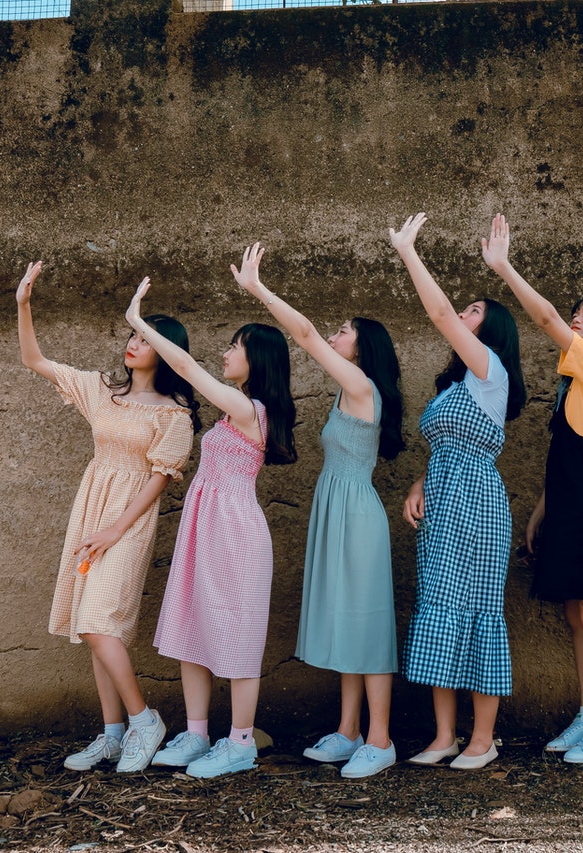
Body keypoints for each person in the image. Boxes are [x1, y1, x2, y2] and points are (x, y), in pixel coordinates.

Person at [16, 260, 199, 773]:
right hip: (91, 512)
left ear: (165, 351)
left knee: (99, 622)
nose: (133, 344)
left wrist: (116, 529)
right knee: (92, 627)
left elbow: (160, 478)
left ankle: (144, 721)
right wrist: (24, 304)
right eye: (132, 336)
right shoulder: (102, 391)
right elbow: (34, 359)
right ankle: (113, 734)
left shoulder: (175, 414)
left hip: (128, 522)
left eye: (145, 339)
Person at [231, 243, 406, 779]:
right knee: (349, 624)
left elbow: (304, 334)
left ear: (364, 347)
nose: (334, 335)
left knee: (368, 628)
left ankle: (380, 739)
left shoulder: (361, 385)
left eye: (344, 331)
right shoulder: (344, 392)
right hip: (338, 510)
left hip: (357, 517)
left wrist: (259, 289)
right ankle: (349, 731)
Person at [480, 215, 583, 765]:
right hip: (569, 507)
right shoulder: (577, 380)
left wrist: (505, 267)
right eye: (578, 311)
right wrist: (541, 513)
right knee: (576, 616)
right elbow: (569, 458)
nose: (577, 317)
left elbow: (546, 317)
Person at [125, 275, 297, 779]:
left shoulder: (249, 409)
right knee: (191, 626)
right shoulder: (234, 413)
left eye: (234, 347)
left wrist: (139, 322)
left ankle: (240, 742)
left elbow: (184, 366)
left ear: (257, 360)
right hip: (206, 530)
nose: (225, 353)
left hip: (236, 534)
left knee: (239, 637)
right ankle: (197, 734)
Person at [390, 212, 526, 772]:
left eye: (474, 311)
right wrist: (420, 481)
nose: (462, 314)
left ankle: (482, 738)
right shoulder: (454, 386)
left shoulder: (491, 370)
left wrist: (408, 252)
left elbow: (439, 313)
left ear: (490, 331)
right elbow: (448, 445)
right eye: (465, 308)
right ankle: (445, 735)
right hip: (444, 498)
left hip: (477, 503)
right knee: (439, 610)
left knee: (478, 611)